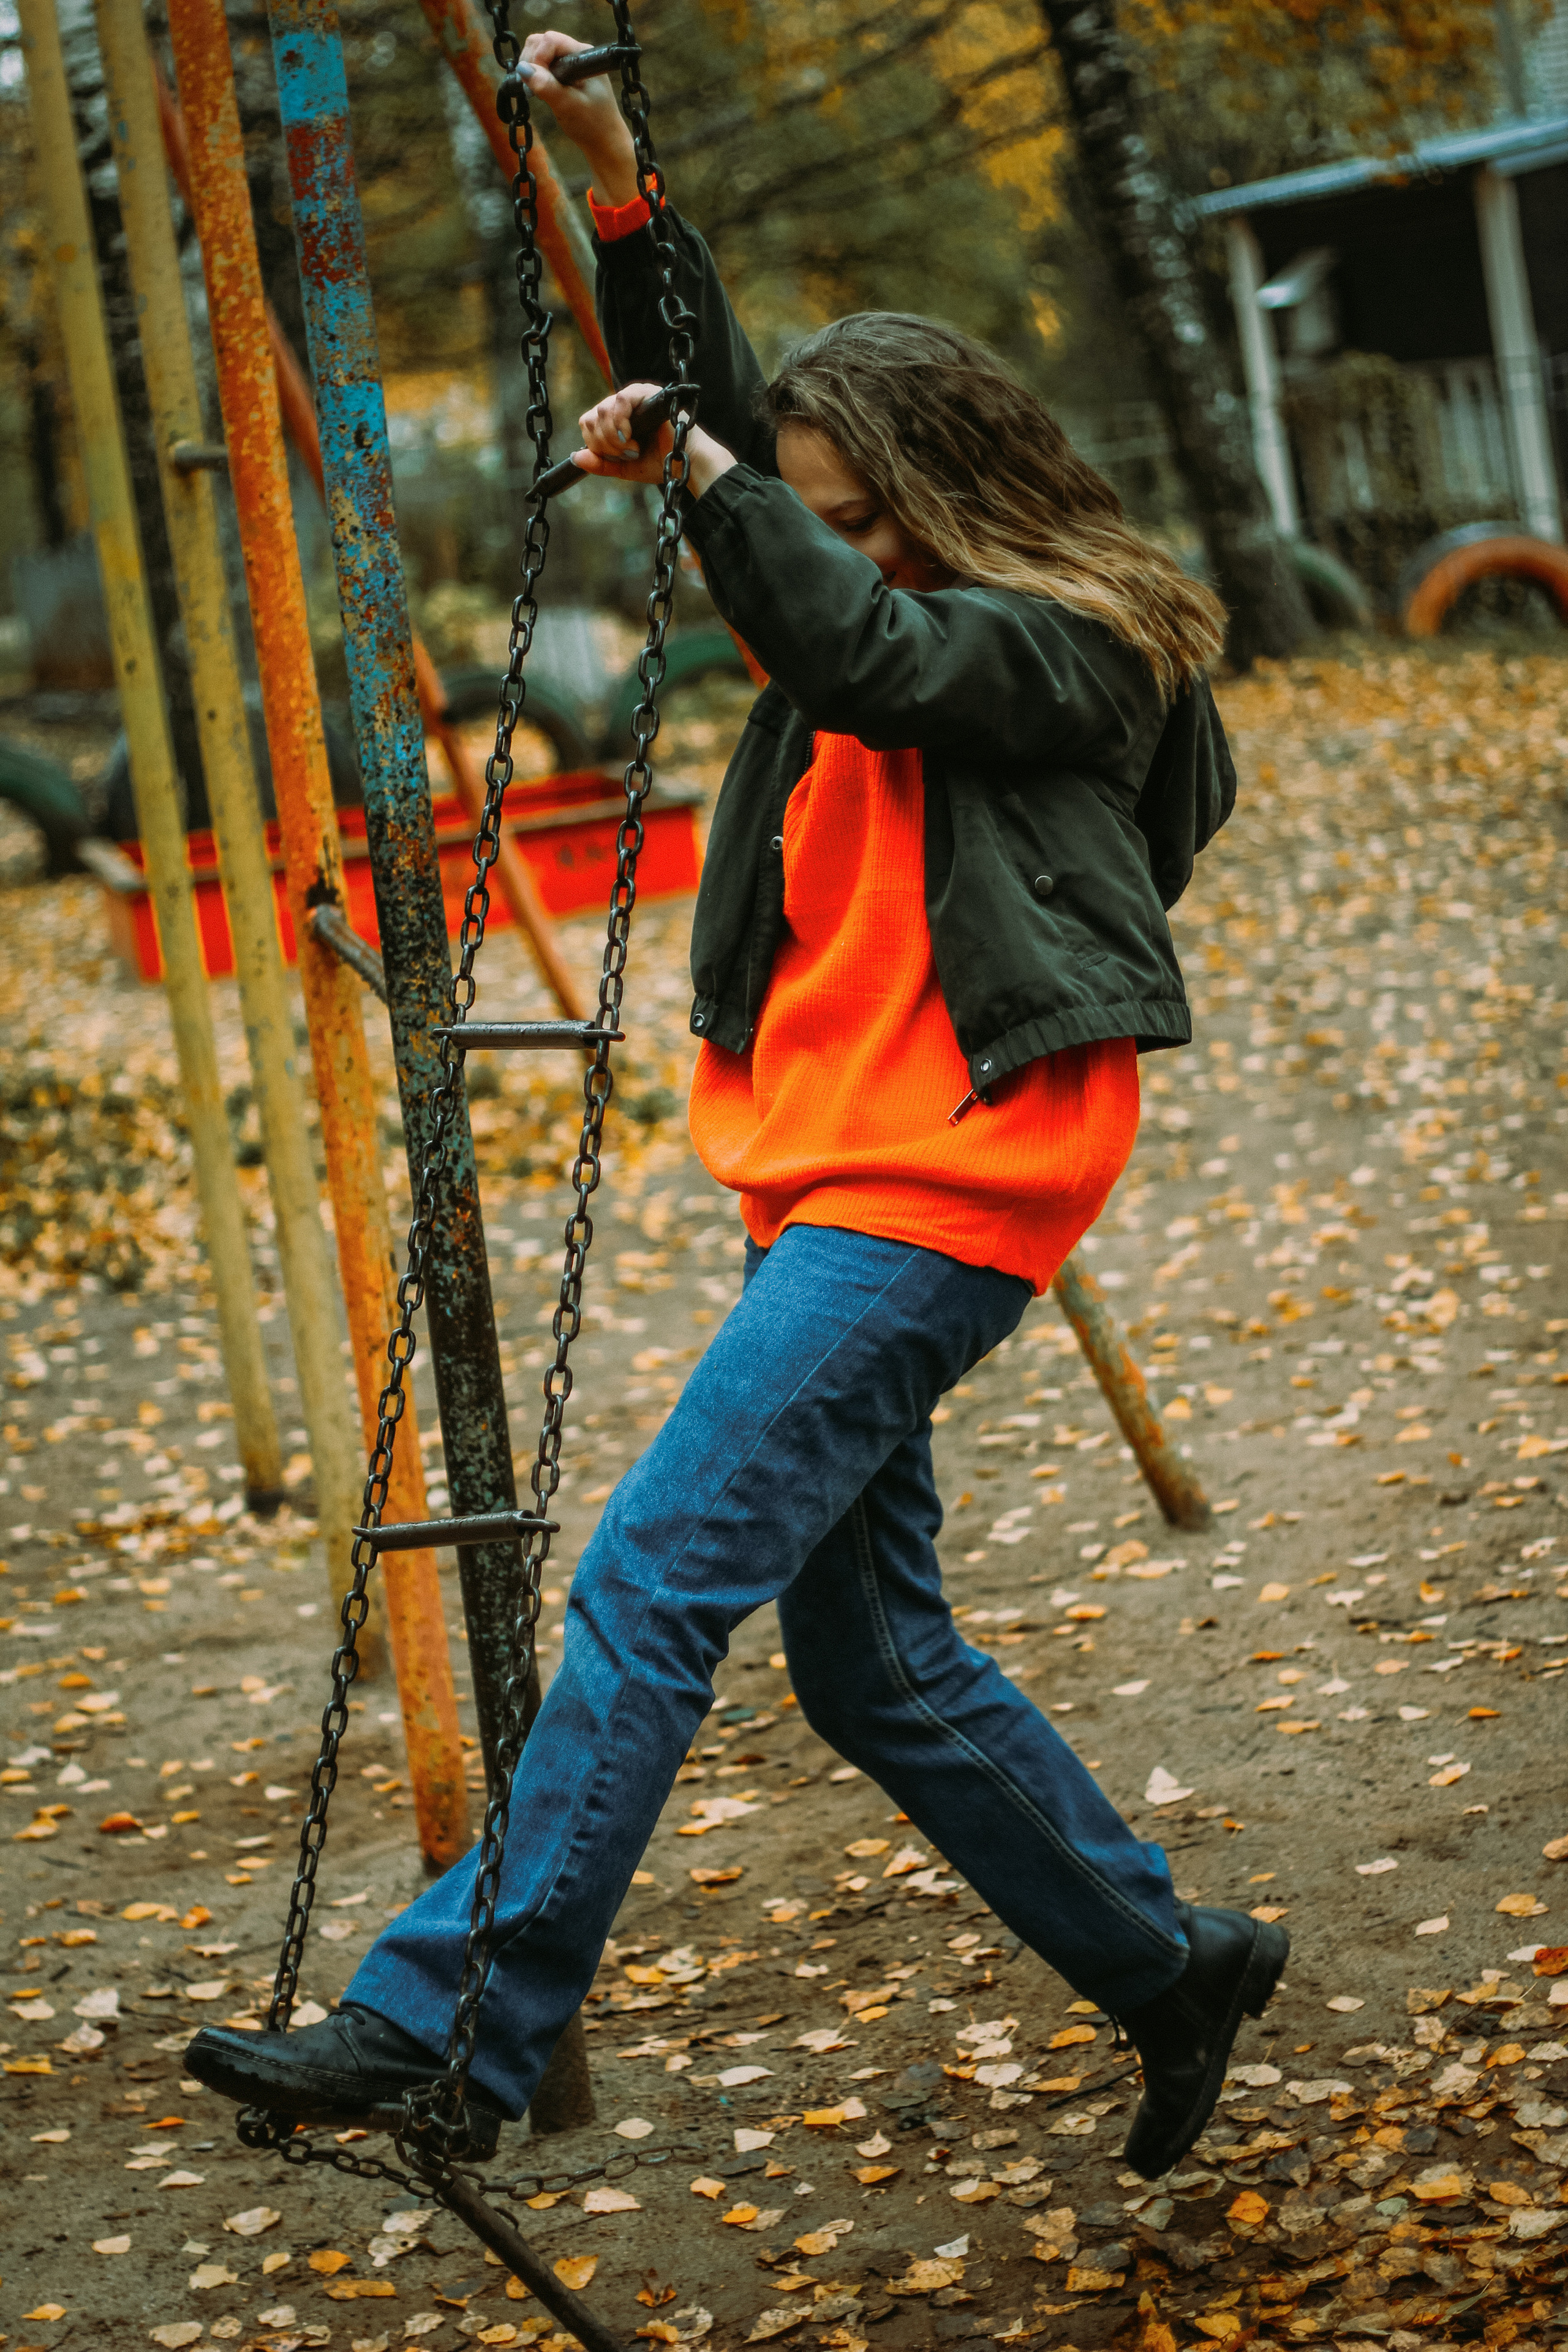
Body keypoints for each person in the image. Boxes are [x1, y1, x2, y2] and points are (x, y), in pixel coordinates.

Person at [188, 29, 1286, 2182]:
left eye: (845, 512)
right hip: (829, 1176)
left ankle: (444, 2027)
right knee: (876, 1666)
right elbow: (761, 470)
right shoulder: (879, 597)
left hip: (952, 1185)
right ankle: (1169, 1965)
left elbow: (857, 634)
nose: (804, 555)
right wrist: (615, 189)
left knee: (652, 1586)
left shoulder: (1070, 644)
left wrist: (710, 482)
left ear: (941, 498)